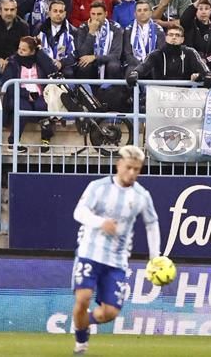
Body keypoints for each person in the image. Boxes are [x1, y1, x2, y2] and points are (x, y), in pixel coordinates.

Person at [70, 146, 161, 355]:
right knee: (83, 298)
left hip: (117, 260)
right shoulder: (98, 187)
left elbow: (152, 224)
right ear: (118, 164)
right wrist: (100, 222)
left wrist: (154, 257)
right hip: (90, 253)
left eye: (137, 169)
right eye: (129, 167)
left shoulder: (142, 196)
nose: (132, 173)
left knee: (109, 313)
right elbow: (79, 212)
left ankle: (83, 322)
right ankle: (81, 342)